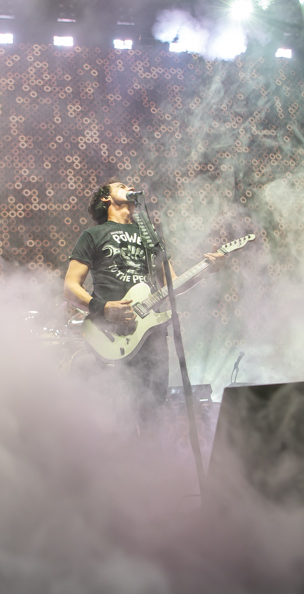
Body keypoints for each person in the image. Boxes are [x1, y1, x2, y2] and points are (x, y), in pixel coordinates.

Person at [63, 178, 222, 432]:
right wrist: (104, 308)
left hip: (152, 336)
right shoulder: (92, 235)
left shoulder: (149, 236)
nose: (128, 186)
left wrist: (207, 270)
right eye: (120, 185)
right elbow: (70, 288)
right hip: (111, 333)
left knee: (154, 416)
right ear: (106, 198)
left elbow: (171, 285)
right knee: (119, 417)